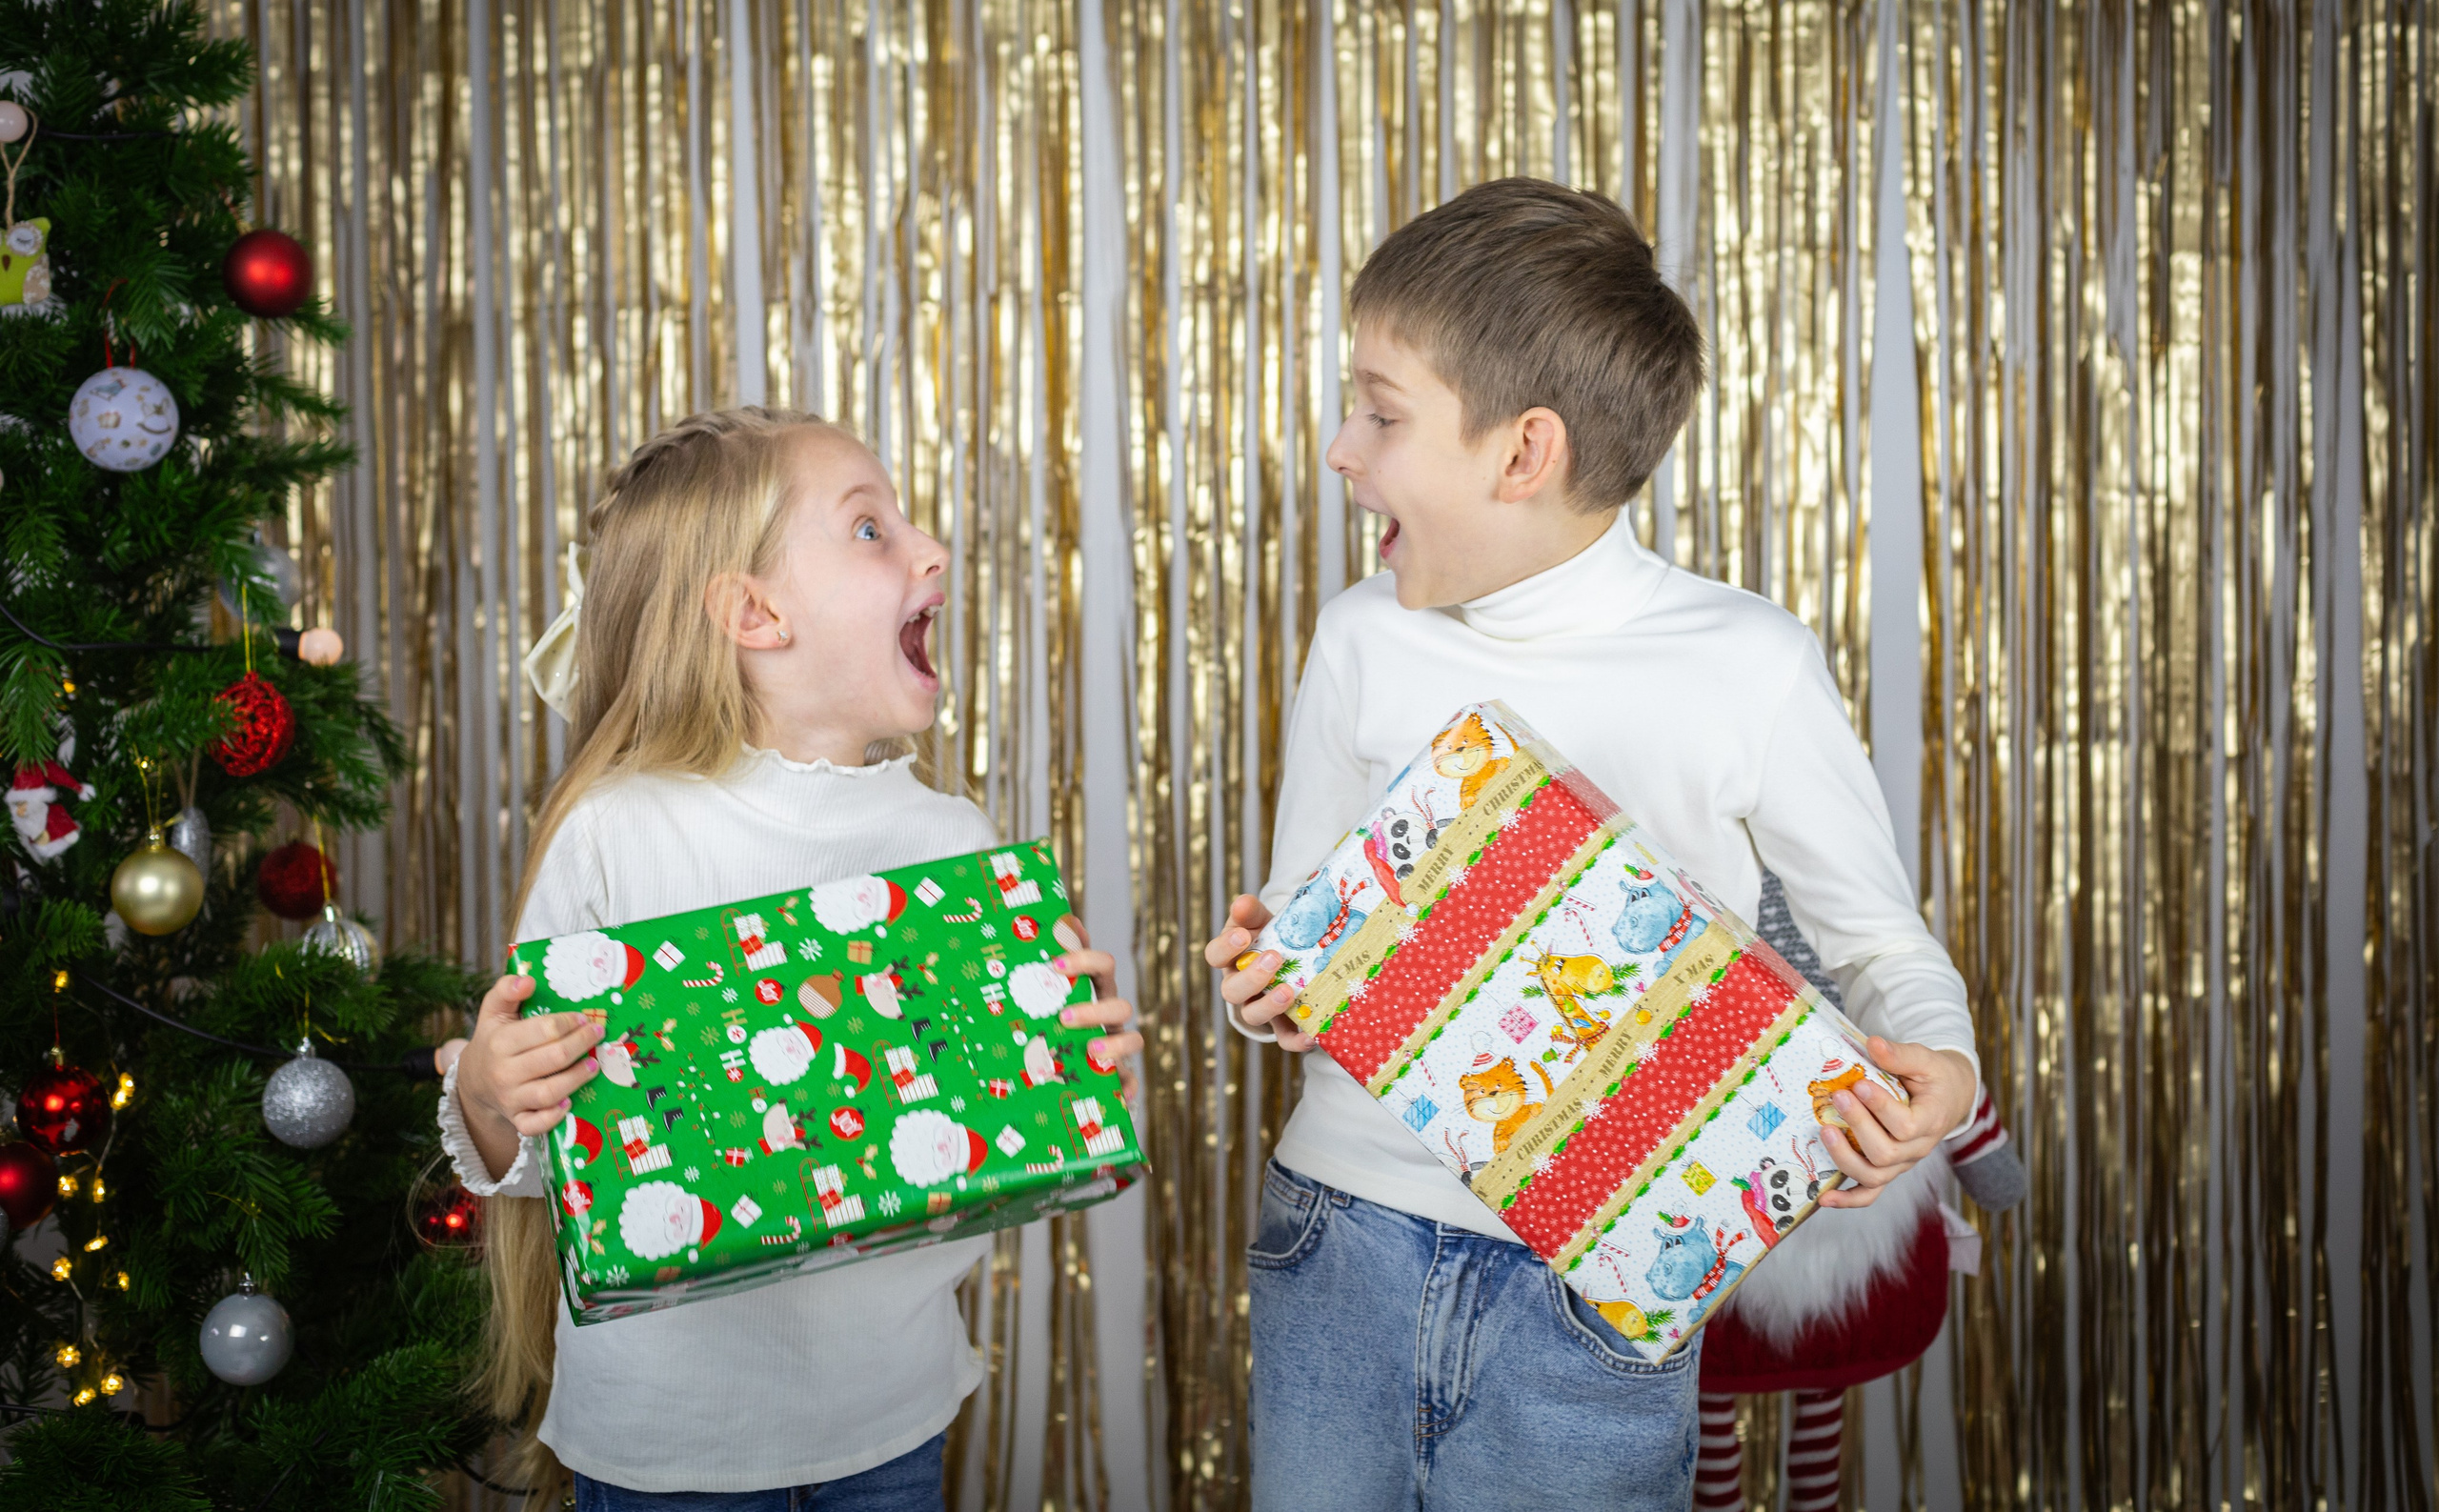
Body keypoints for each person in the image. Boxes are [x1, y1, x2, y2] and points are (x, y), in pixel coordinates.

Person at [1204, 178, 1981, 1511]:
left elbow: (1879, 943)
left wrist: (1945, 1072)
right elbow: (1299, 929)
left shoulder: (1750, 663)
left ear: (1523, 452)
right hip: (1340, 1242)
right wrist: (1264, 984)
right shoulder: (1358, 638)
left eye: (1381, 413)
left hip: (1610, 1279)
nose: (1341, 447)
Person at [439, 407, 1142, 1511]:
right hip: (668, 1440)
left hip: (889, 1418)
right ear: (755, 614)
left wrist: (1078, 1072)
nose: (929, 550)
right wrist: (487, 1094)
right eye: (871, 530)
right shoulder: (621, 831)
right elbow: (552, 1157)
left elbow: (993, 1138)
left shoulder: (952, 848)